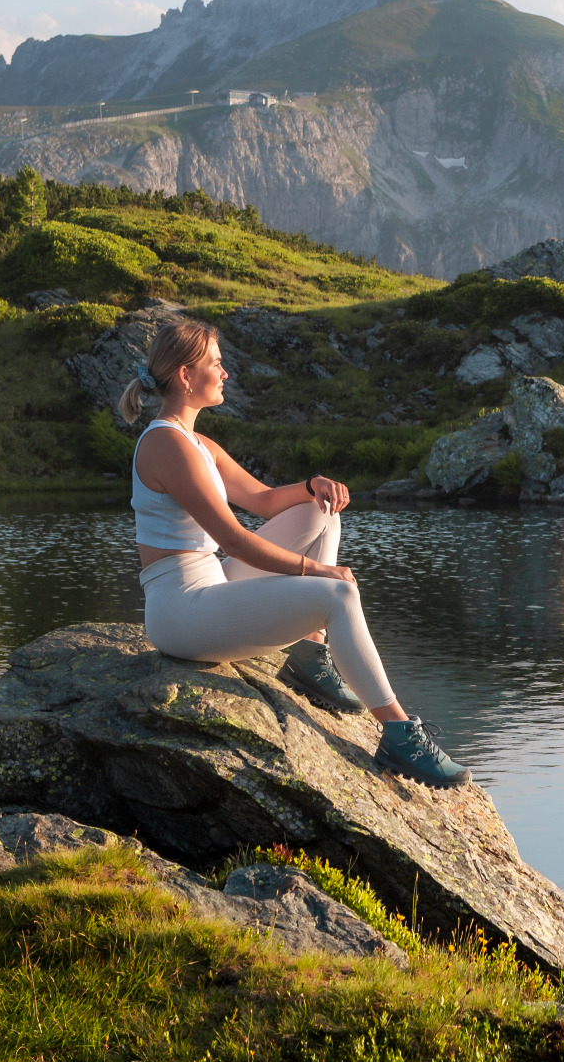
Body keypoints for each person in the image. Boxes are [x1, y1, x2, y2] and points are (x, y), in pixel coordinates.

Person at [123, 318, 470, 788]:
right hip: (180, 610)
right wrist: (320, 571)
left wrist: (311, 487)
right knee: (337, 596)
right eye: (216, 364)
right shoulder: (166, 443)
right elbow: (236, 541)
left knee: (322, 513)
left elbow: (263, 500)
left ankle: (310, 658)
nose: (225, 373)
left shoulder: (196, 442)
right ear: (185, 376)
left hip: (210, 583)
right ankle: (399, 734)